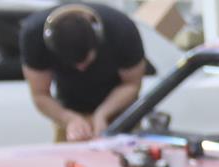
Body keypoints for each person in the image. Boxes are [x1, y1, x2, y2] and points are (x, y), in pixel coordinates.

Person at [20, 4, 147, 142]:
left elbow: (131, 84)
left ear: (98, 40)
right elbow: (40, 94)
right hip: (68, 108)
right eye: (72, 64)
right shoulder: (33, 35)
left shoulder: (122, 30)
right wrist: (69, 118)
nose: (81, 68)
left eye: (86, 61)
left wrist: (102, 114)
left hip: (120, 110)